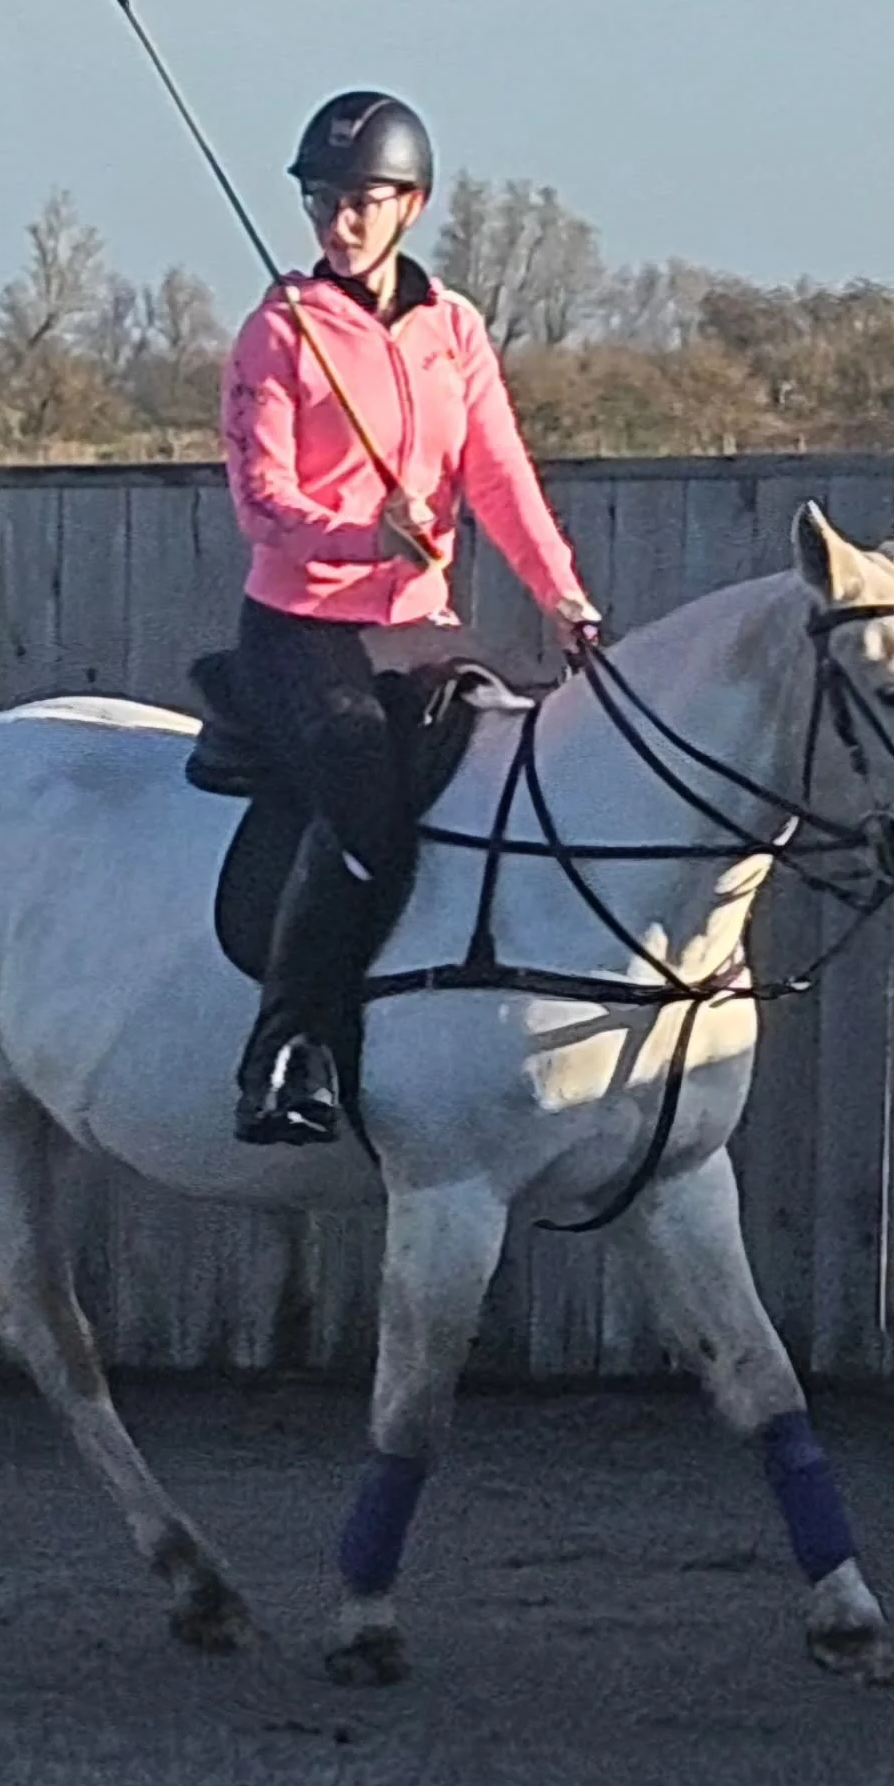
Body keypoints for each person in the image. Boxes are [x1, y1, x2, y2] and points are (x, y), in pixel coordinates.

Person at [220, 88, 603, 1147]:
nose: (337, 220)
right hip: (306, 630)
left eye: (359, 200)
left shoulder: (453, 328)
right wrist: (363, 539)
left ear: (411, 206)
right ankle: (286, 1050)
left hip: (421, 626)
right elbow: (264, 501)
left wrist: (559, 591)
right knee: (364, 798)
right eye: (320, 200)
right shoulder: (277, 331)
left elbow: (499, 475)